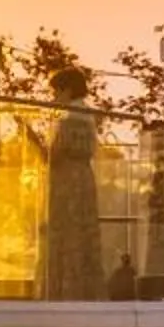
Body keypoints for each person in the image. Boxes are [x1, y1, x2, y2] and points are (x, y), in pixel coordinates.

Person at [26, 67, 105, 300]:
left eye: (56, 91)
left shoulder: (70, 117)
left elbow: (53, 155)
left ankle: (62, 292)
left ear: (67, 89)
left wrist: (31, 138)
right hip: (83, 178)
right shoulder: (87, 114)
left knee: (64, 234)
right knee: (83, 234)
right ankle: (85, 290)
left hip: (66, 182)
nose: (54, 98)